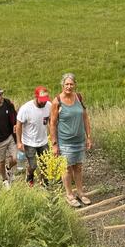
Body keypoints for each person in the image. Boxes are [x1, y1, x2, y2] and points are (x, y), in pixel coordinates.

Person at [49, 73, 92, 208]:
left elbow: (85, 117)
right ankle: (69, 194)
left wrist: (88, 137)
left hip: (79, 140)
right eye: (66, 84)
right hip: (65, 141)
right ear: (63, 85)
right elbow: (52, 124)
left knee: (78, 167)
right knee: (66, 168)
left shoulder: (78, 98)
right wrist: (54, 144)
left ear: (75, 85)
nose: (69, 86)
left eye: (71, 84)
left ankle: (80, 192)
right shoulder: (57, 101)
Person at [16, 86, 52, 186]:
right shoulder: (26, 109)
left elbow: (51, 121)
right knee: (33, 165)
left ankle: (44, 181)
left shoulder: (49, 105)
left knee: (45, 163)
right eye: (42, 99)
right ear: (36, 97)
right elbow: (19, 126)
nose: (44, 102)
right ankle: (30, 175)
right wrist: (19, 142)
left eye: (46, 99)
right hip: (29, 142)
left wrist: (52, 136)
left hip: (43, 140)